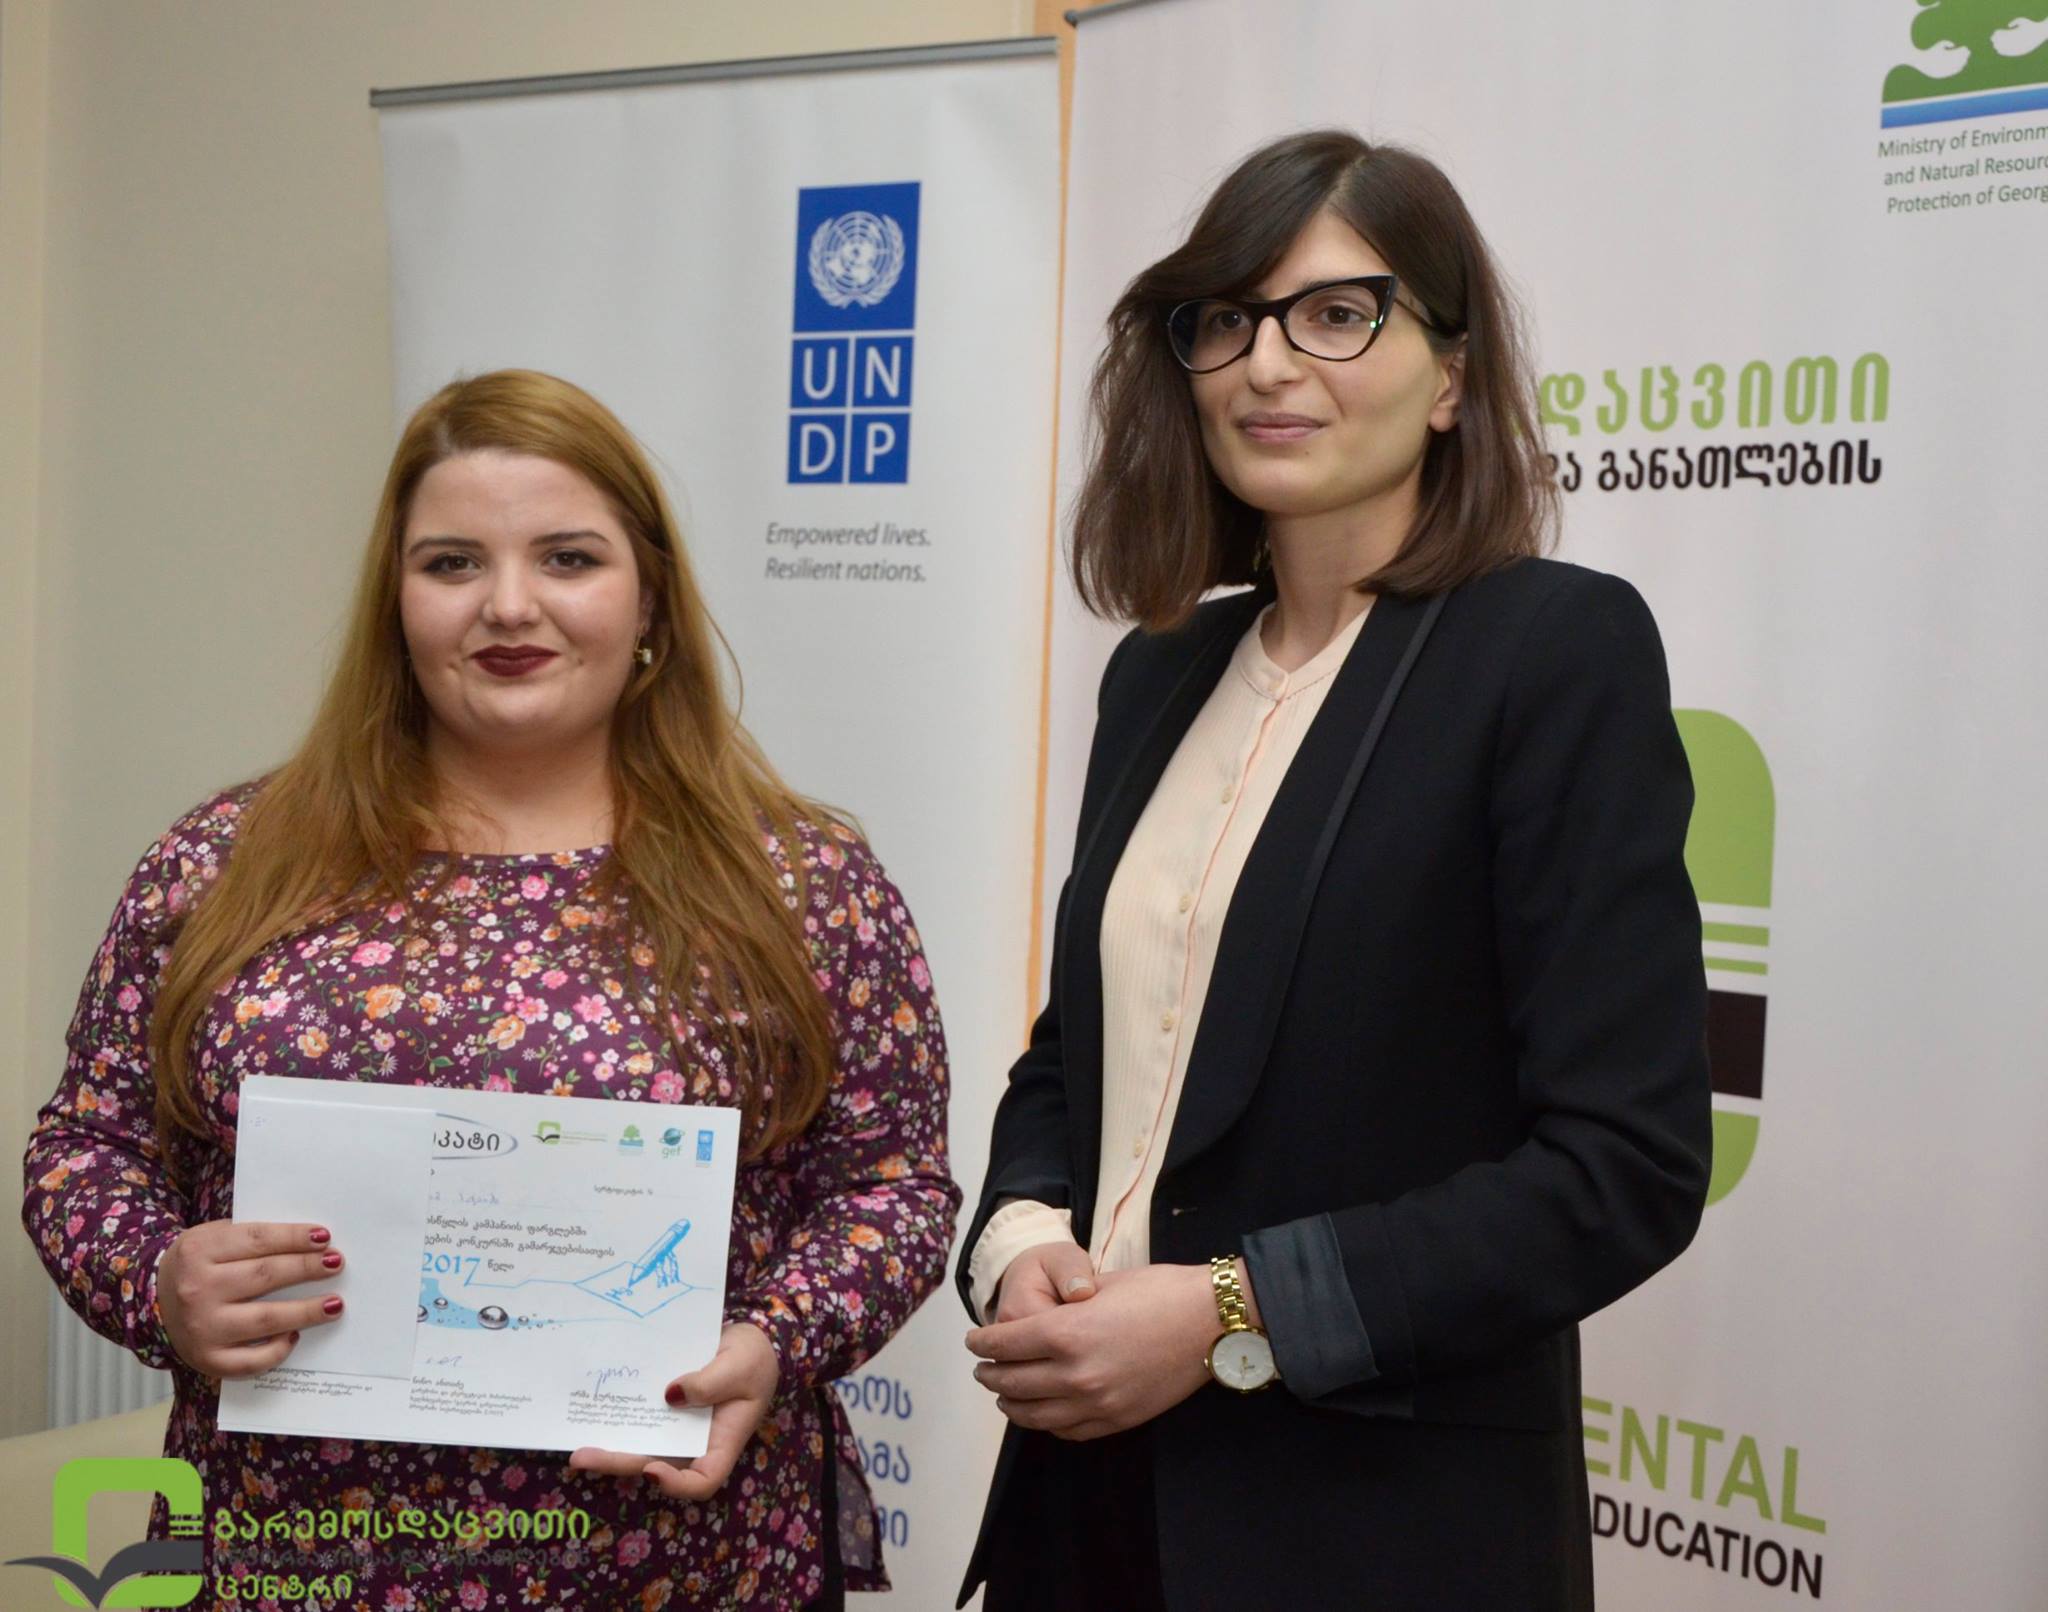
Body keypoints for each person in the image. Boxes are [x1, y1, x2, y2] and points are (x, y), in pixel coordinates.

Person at [22, 369, 959, 1611]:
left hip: (680, 1560)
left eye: (567, 557)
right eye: (452, 563)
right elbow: (86, 1147)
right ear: (394, 601)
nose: (508, 605)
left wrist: (776, 1341)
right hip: (293, 1555)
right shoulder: (224, 863)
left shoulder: (802, 883)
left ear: (650, 600)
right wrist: (157, 1279)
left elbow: (890, 1189)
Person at [958, 130, 1711, 1610]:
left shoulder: (1550, 652)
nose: (1265, 364)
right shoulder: (1160, 671)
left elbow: (1622, 1167)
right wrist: (1023, 1234)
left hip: (1369, 1534)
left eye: (1336, 314)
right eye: (1225, 321)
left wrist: (1229, 1314)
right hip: (1082, 1503)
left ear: (1450, 379)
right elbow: (1081, 1054)